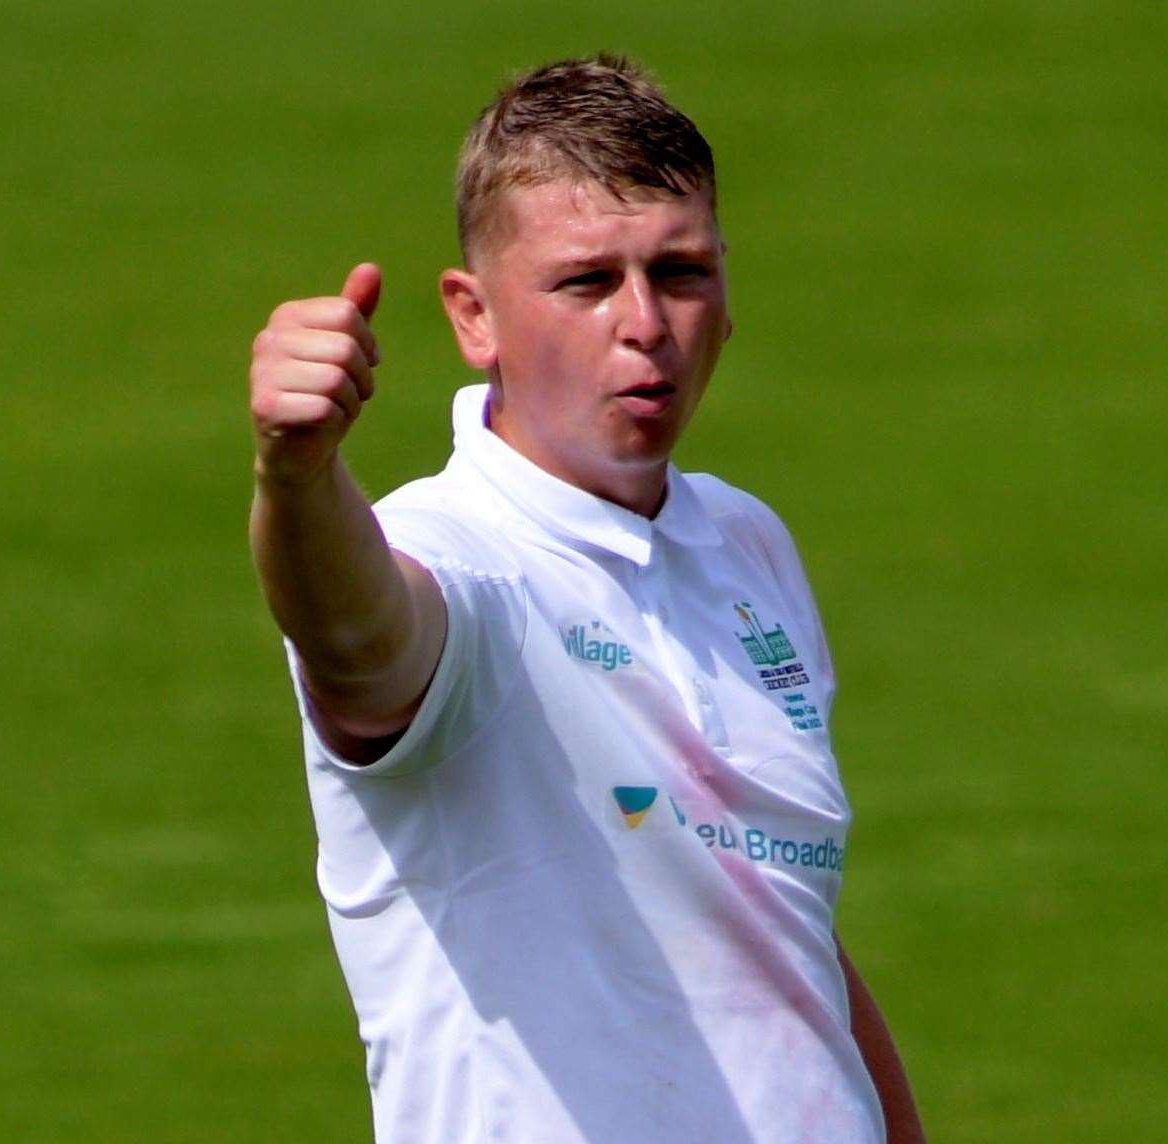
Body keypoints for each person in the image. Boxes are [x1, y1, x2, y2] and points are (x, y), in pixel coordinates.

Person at [247, 55, 927, 1144]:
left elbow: (780, 932)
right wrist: (297, 477)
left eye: (681, 271)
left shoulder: (744, 544)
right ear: (475, 317)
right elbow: (357, 636)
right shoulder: (459, 558)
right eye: (586, 282)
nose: (645, 322)